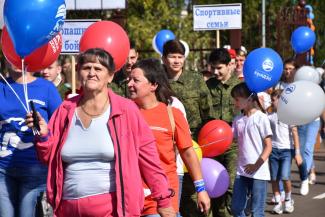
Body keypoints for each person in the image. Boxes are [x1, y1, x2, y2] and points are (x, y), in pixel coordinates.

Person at [26, 48, 176, 217]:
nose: (91, 73)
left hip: (112, 210)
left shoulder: (127, 110)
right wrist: (43, 135)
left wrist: (163, 201)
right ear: (78, 72)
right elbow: (47, 158)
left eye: (98, 69)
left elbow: (150, 160)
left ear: (110, 76)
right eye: (86, 67)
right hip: (67, 208)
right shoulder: (65, 110)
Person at [127, 58, 210, 216]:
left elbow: (188, 153)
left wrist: (201, 189)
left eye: (136, 80)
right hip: (130, 196)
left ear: (154, 85)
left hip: (162, 197)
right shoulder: (124, 113)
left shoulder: (173, 114)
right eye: (129, 79)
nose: (130, 84)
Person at [0, 61, 62, 217]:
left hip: (34, 170)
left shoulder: (46, 88)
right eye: (10, 56)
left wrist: (40, 128)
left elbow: (61, 126)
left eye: (18, 56)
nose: (15, 60)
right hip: (2, 170)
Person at [162, 39, 215, 217]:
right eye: (172, 57)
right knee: (171, 200)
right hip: (168, 150)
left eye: (180, 57)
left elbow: (208, 113)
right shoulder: (157, 81)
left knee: (194, 199)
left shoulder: (195, 79)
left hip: (194, 148)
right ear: (163, 58)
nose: (176, 61)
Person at [205, 48, 240, 217]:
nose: (215, 72)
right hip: (211, 144)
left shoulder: (241, 87)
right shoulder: (207, 86)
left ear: (229, 66)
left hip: (233, 143)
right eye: (213, 68)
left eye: (219, 68)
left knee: (231, 183)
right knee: (212, 183)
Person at [230, 82, 272, 217]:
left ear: (249, 99)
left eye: (237, 99)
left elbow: (268, 146)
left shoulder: (261, 118)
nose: (235, 102)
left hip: (258, 173)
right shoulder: (238, 120)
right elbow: (231, 140)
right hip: (241, 172)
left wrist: (256, 165)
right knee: (236, 208)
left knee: (257, 211)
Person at [268, 89, 302, 214]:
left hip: (286, 151)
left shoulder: (289, 115)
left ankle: (288, 199)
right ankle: (278, 202)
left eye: (273, 100)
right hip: (273, 151)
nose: (271, 103)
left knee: (285, 176)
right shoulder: (270, 116)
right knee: (274, 178)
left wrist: (297, 153)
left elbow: (295, 133)